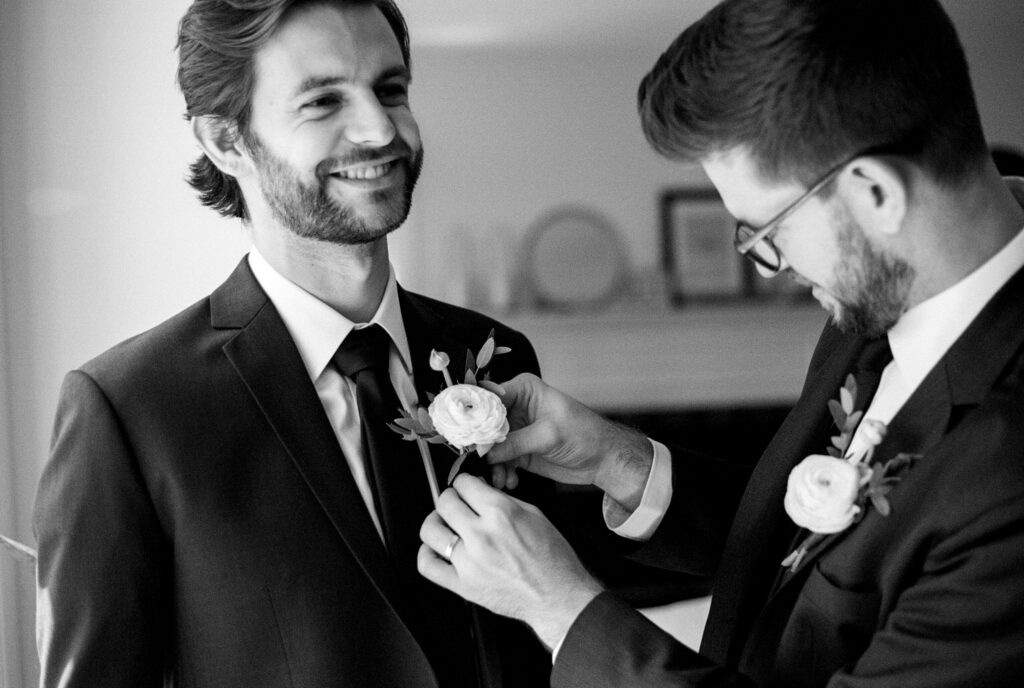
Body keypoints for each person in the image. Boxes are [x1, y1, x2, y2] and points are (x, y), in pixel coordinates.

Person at [418, 0, 1024, 686]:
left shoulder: (1007, 481)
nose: (775, 271)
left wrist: (560, 607)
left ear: (876, 195)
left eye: (768, 235)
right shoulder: (871, 307)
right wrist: (619, 460)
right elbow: (809, 555)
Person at [32, 1, 554, 686]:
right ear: (226, 141)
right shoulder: (130, 410)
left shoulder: (496, 353)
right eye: (322, 101)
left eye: (390, 90)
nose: (378, 128)